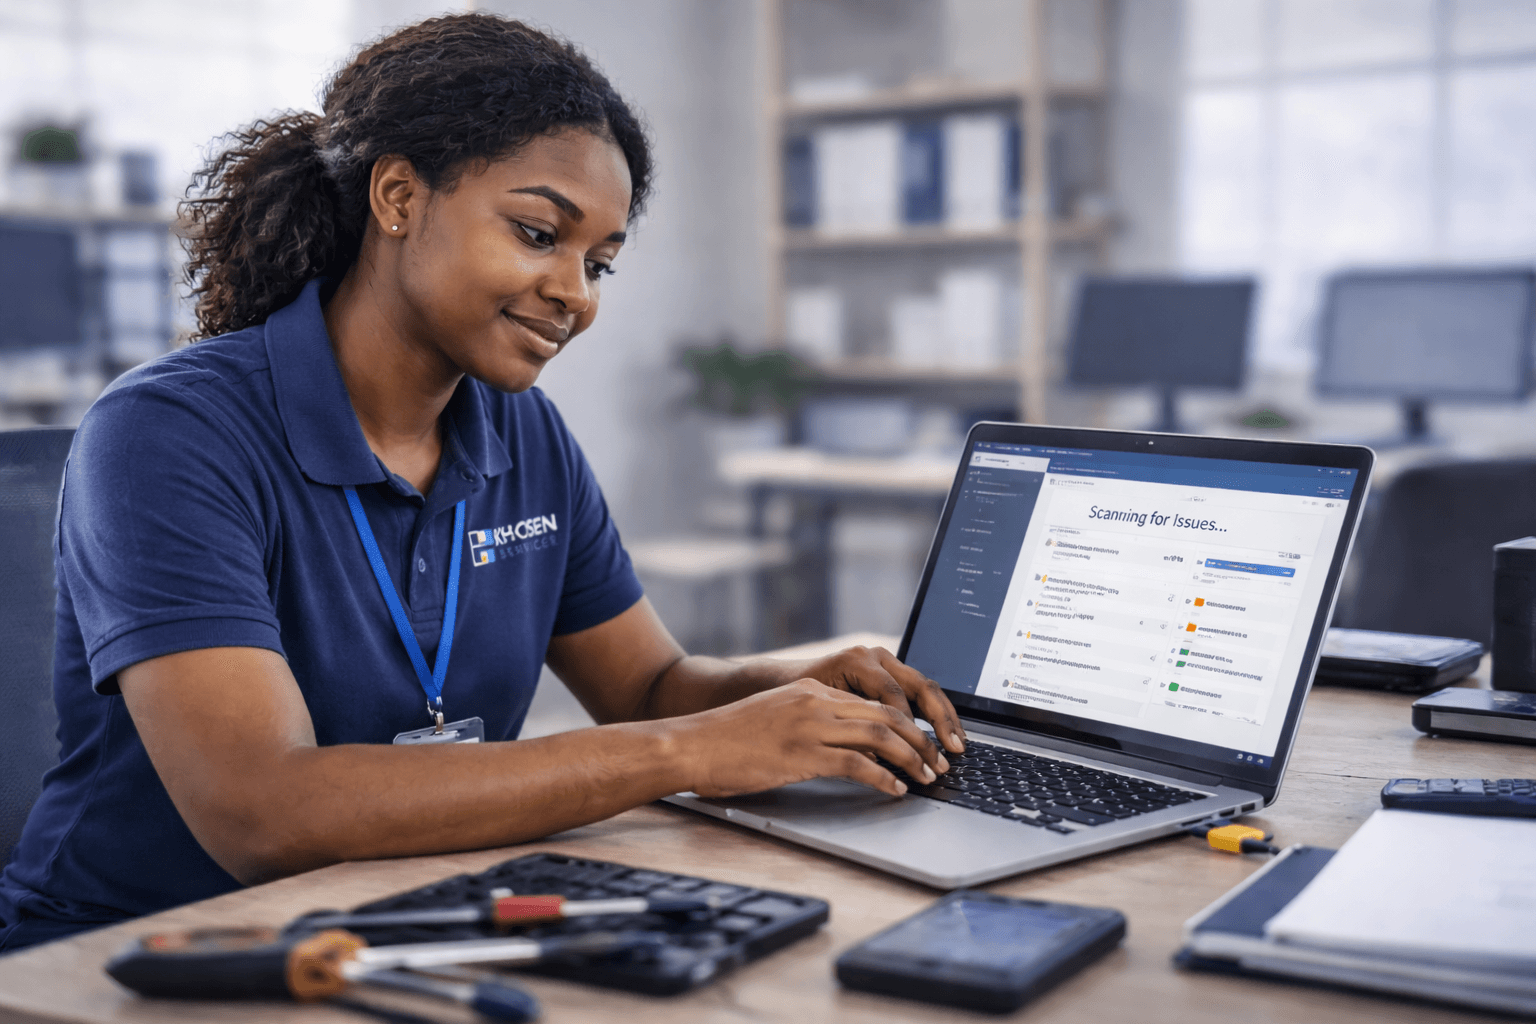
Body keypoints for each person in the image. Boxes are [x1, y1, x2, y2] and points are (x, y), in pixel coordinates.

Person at [0, 13, 964, 953]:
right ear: (398, 198)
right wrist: (694, 751)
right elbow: (266, 814)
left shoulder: (523, 431)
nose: (576, 295)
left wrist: (791, 689)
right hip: (139, 956)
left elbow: (650, 687)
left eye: (600, 264)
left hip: (413, 927)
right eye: (539, 234)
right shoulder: (170, 433)